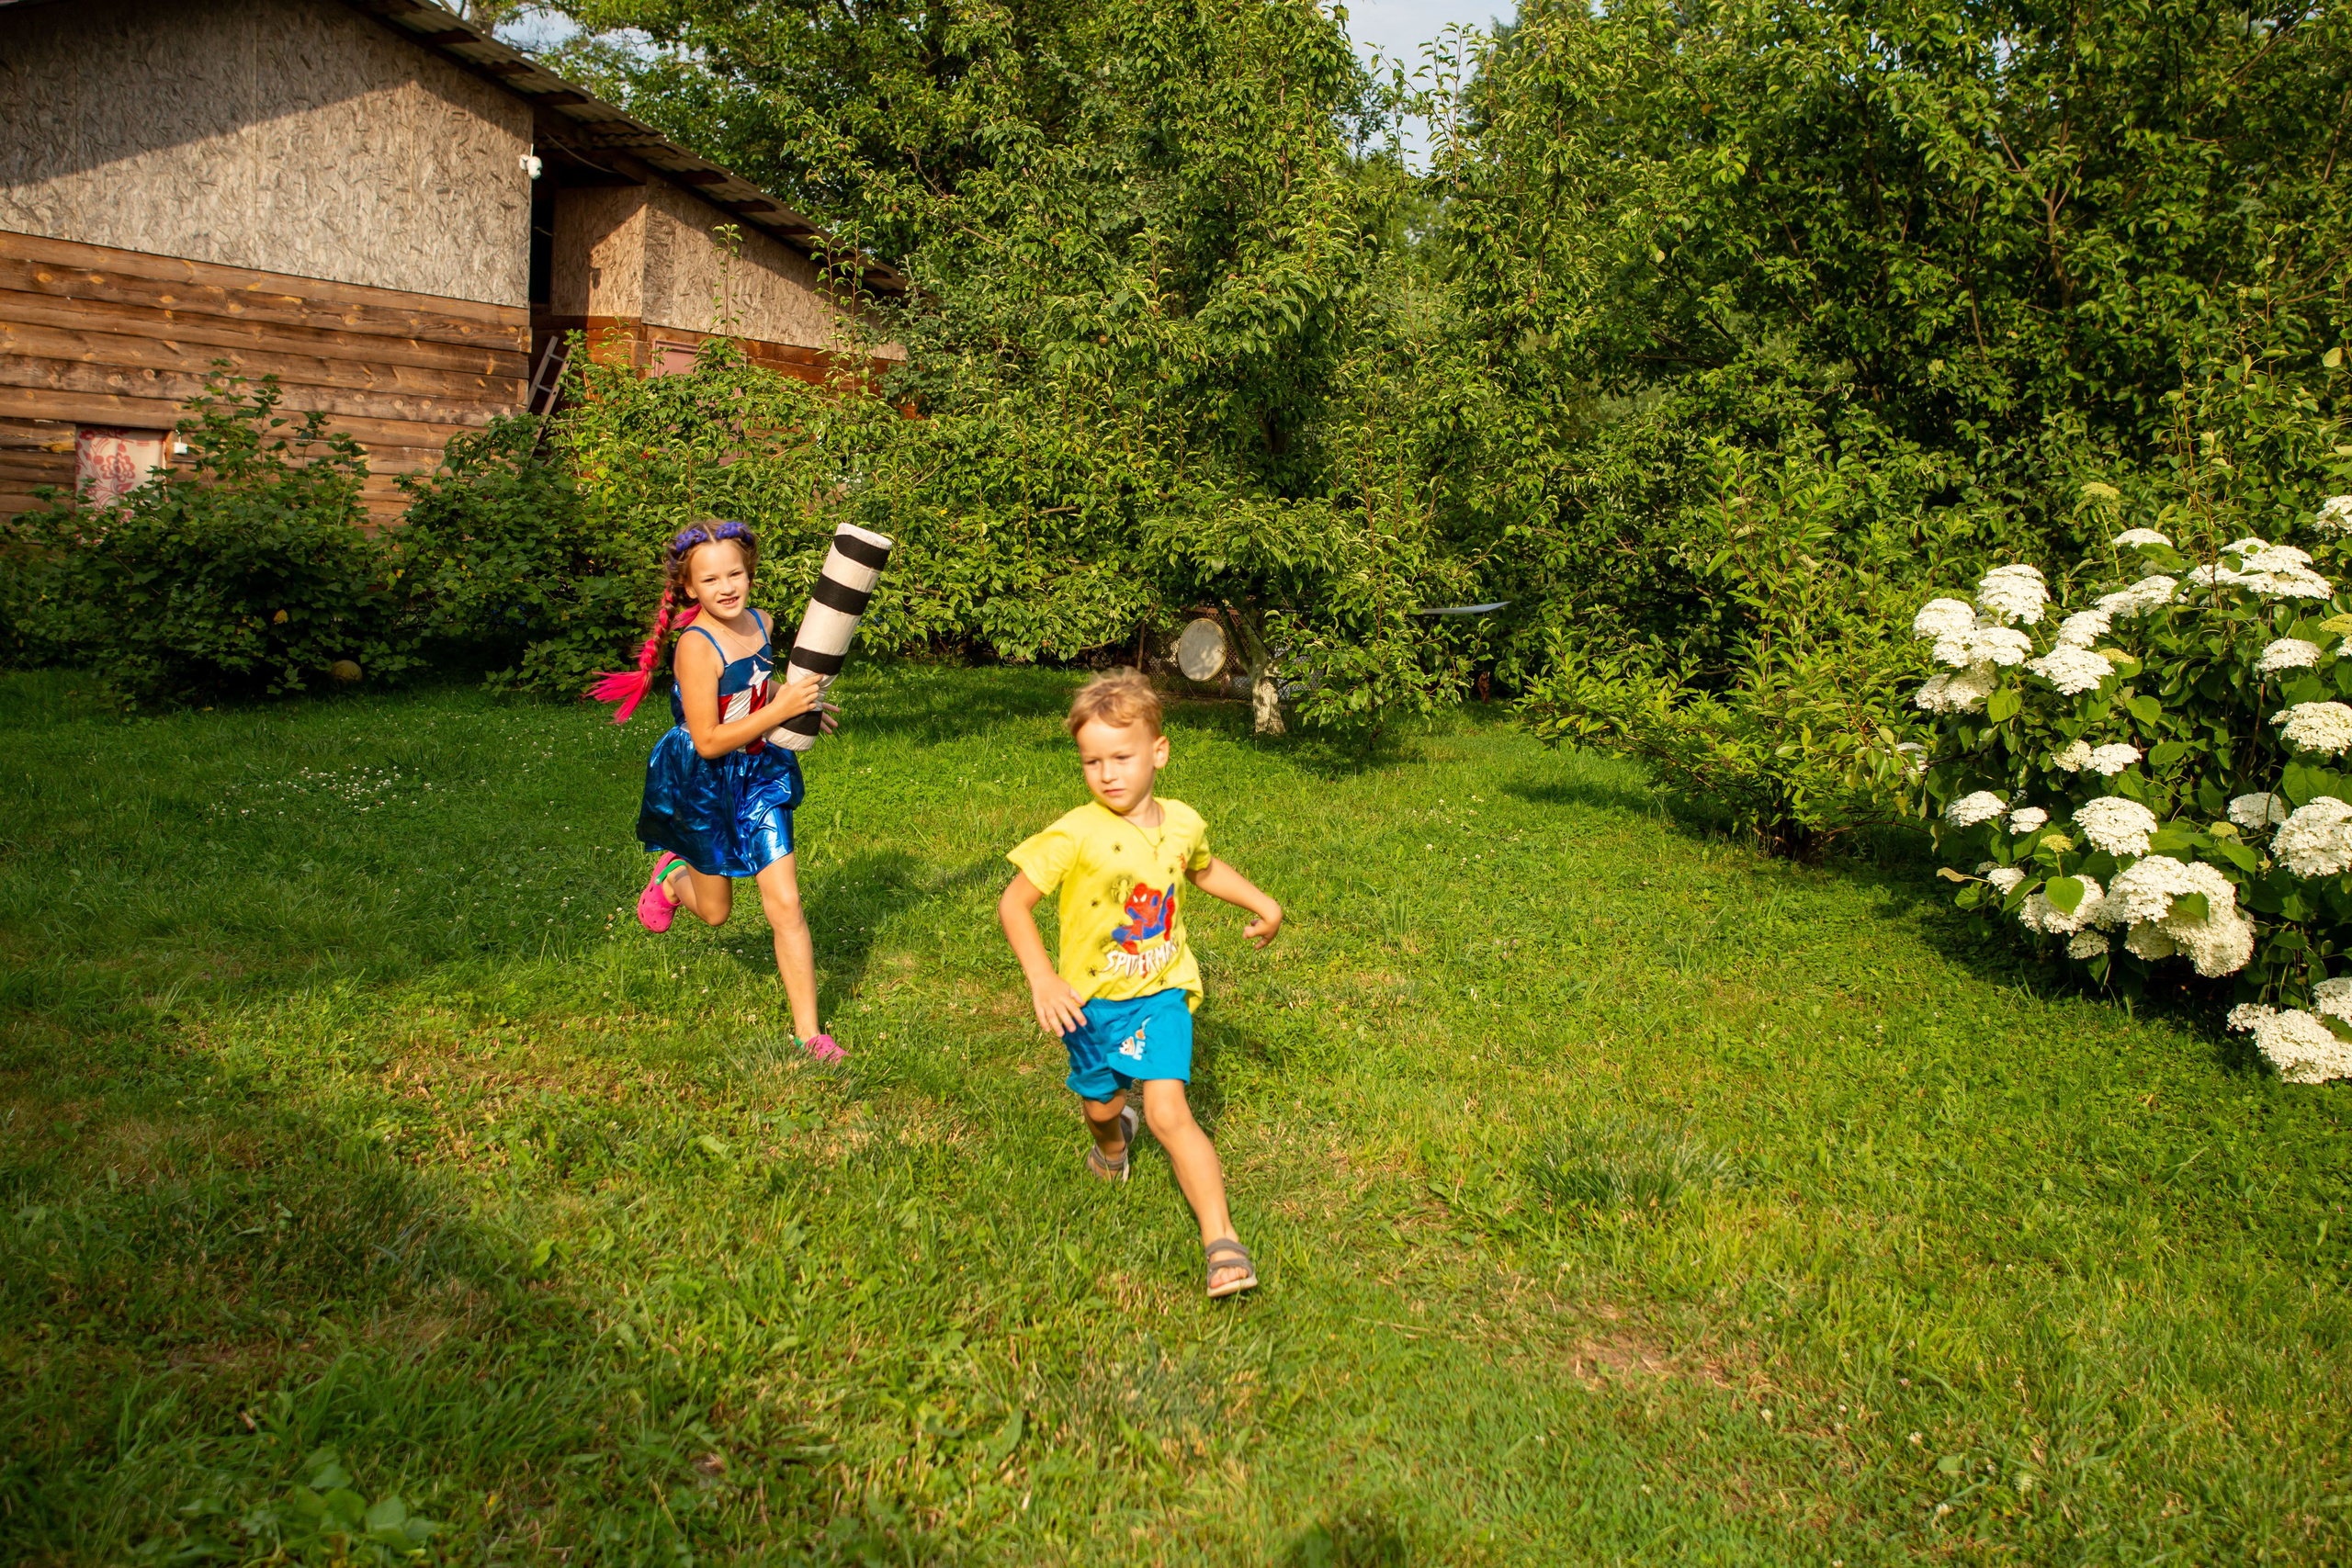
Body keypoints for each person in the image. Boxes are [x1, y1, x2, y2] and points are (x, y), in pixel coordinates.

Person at [998, 670, 1283, 1299]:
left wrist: (1264, 903)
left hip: (1162, 993)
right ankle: (1111, 1138)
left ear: (1159, 752)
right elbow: (1014, 904)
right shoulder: (1074, 831)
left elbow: (1204, 870)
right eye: (1091, 760)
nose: (1106, 773)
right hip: (1088, 1004)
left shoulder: (1182, 821)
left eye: (1121, 757)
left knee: (1168, 1111)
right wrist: (1043, 978)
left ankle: (1221, 1240)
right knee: (1101, 1106)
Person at [589, 519, 844, 1062]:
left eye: (735, 573)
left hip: (760, 775)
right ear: (689, 588)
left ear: (750, 572)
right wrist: (778, 709)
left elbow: (752, 684)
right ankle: (670, 874)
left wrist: (792, 704)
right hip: (705, 782)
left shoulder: (762, 621)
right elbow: (706, 741)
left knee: (787, 904)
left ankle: (809, 1035)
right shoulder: (695, 647)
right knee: (716, 913)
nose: (726, 587)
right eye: (710, 580)